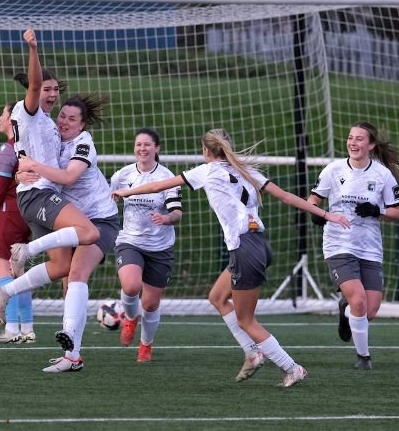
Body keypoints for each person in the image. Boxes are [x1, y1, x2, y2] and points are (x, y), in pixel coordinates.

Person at [112, 128, 351, 388]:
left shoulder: (207, 170)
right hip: (259, 242)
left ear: (205, 151)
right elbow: (285, 196)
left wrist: (126, 193)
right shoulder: (246, 169)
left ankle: (291, 368)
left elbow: (159, 185)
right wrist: (327, 215)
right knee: (217, 297)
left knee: (246, 319)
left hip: (244, 247)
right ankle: (252, 353)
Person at [0, 29, 100, 369]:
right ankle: (26, 252)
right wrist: (33, 48)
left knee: (64, 266)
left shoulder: (49, 123)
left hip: (39, 196)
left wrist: (26, 166)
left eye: (55, 89)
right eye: (47, 89)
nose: (51, 93)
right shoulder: (29, 110)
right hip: (37, 197)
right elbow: (33, 86)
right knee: (90, 233)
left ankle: (5, 291)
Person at [15, 93, 118, 372]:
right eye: (62, 115)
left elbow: (69, 177)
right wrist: (21, 173)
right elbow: (32, 167)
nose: (64, 122)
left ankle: (27, 253)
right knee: (66, 280)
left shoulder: (83, 143)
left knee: (76, 274)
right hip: (73, 219)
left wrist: (32, 166)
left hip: (99, 220)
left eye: (72, 119)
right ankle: (72, 356)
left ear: (82, 125)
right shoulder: (52, 139)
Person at [307, 121, 399, 370]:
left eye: (360, 139)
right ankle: (364, 358)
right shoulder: (334, 170)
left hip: (370, 247)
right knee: (359, 301)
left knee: (368, 312)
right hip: (339, 244)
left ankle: (344, 310)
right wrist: (316, 212)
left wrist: (377, 210)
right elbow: (313, 199)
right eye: (350, 138)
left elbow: (396, 212)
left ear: (371, 145)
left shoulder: (382, 175)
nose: (353, 143)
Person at [109, 128, 182, 363]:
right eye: (138, 144)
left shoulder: (167, 177)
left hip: (160, 246)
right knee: (130, 286)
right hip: (130, 241)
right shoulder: (122, 175)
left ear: (157, 148)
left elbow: (177, 212)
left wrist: (167, 218)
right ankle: (130, 319)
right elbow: (107, 207)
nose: (142, 149)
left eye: (147, 145)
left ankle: (145, 346)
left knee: (150, 304)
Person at [0, 102, 36, 345]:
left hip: (8, 213)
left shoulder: (8, 149)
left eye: (2, 113)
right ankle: (28, 329)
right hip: (27, 211)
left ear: (12, 119)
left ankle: (11, 329)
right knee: (19, 272)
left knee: (2, 271)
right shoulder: (30, 147)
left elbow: (0, 188)